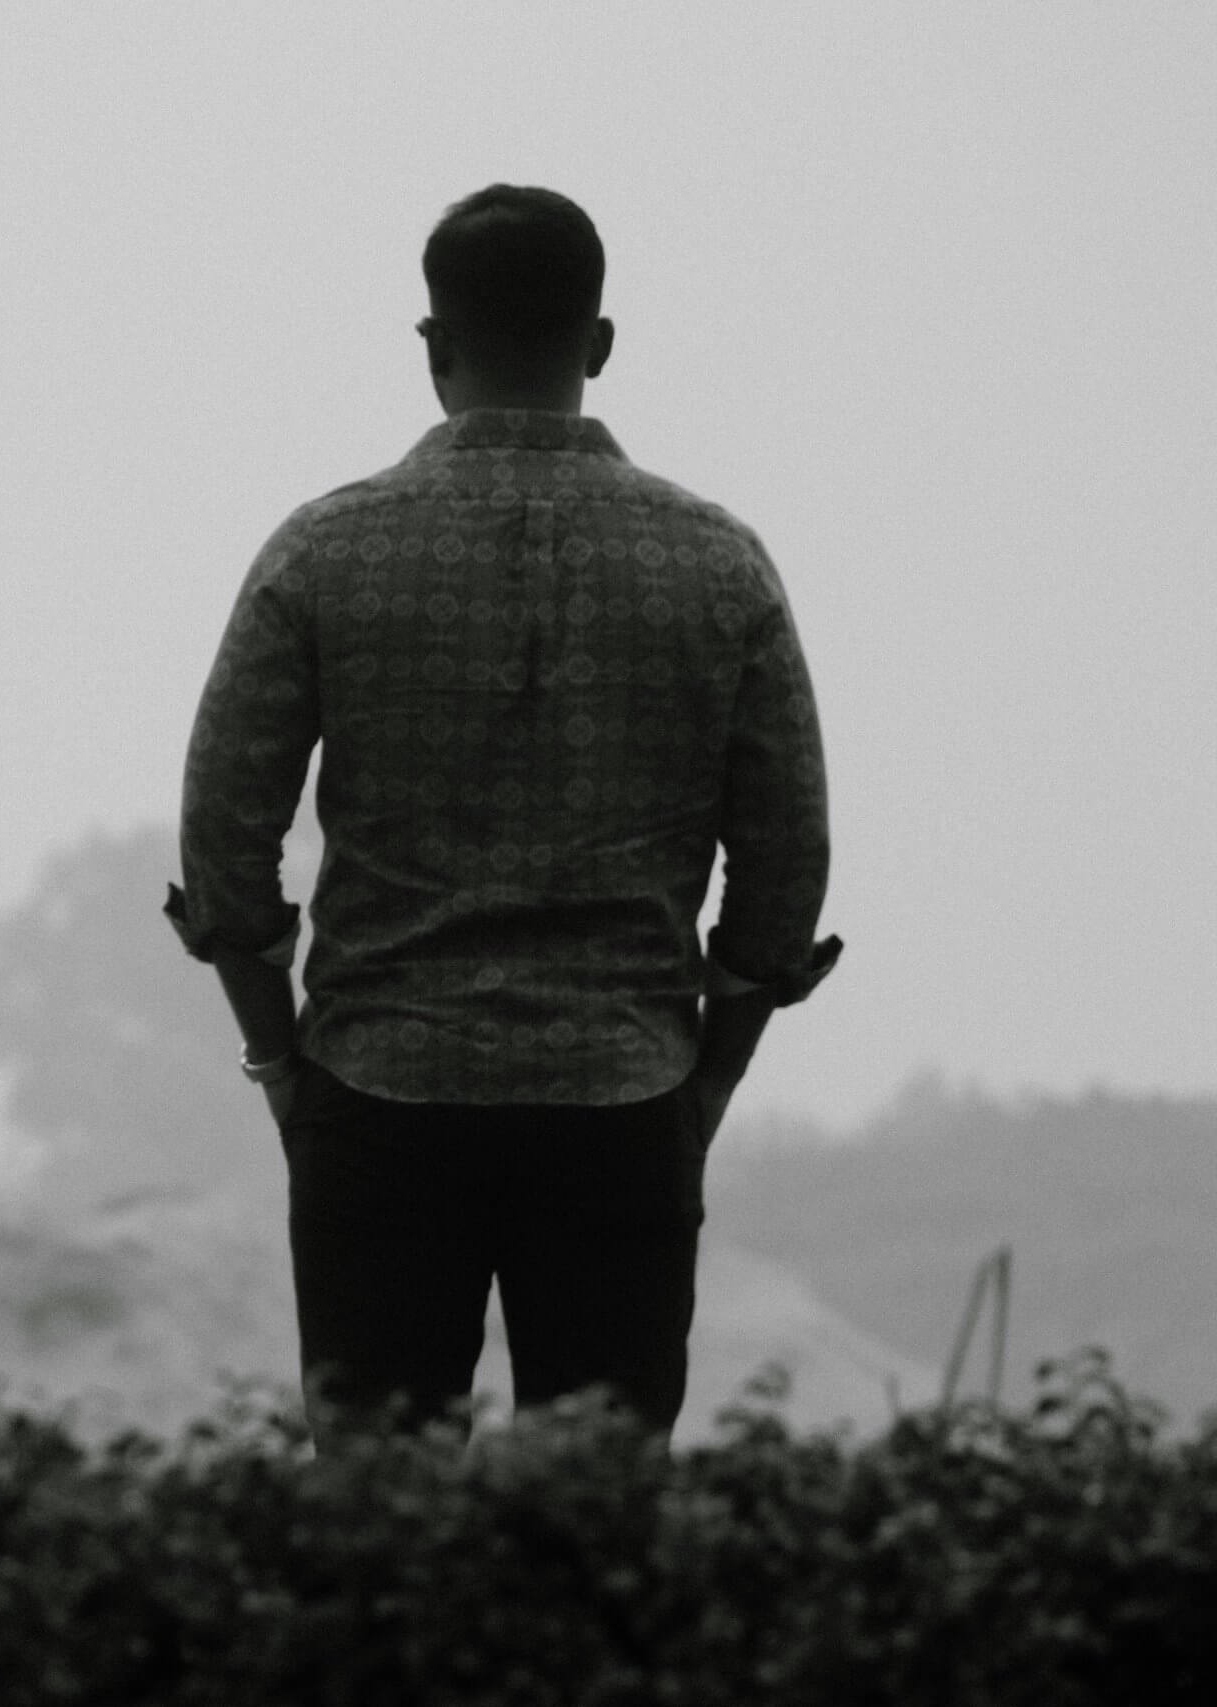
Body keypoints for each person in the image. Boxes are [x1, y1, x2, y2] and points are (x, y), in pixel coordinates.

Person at [164, 184, 839, 1443]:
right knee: (594, 1530)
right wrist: (708, 1085)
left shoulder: (323, 551)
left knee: (376, 1515)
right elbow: (785, 861)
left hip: (378, 1097)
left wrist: (278, 1061)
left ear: (434, 347)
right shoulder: (716, 564)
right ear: (597, 345)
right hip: (622, 1104)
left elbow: (221, 839)